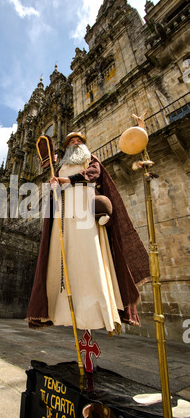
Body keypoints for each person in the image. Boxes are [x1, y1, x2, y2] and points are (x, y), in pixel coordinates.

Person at [26, 132, 150, 334]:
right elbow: (57, 191)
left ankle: (98, 309)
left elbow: (93, 174)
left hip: (85, 215)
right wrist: (54, 186)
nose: (75, 144)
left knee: (90, 257)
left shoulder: (89, 160)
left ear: (83, 145)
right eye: (71, 142)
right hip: (64, 219)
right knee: (62, 262)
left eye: (78, 142)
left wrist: (66, 179)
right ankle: (64, 311)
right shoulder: (61, 166)